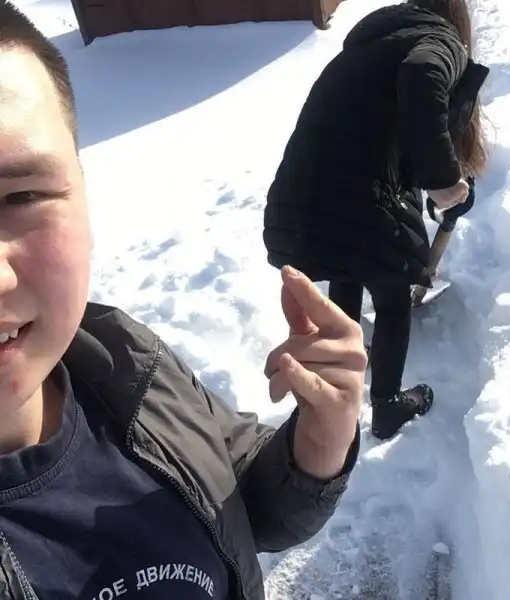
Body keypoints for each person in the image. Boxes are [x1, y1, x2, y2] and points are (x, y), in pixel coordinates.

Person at [0, 2, 367, 598]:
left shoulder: (124, 366)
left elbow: (234, 497)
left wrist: (317, 444)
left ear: (84, 198)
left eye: (20, 197)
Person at [263, 0, 489, 441]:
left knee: (347, 266)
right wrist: (443, 181)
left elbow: (390, 131)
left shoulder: (373, 45)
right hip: (355, 193)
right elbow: (423, 76)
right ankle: (385, 404)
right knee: (392, 294)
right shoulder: (437, 40)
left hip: (302, 194)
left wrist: (433, 178)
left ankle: (336, 393)